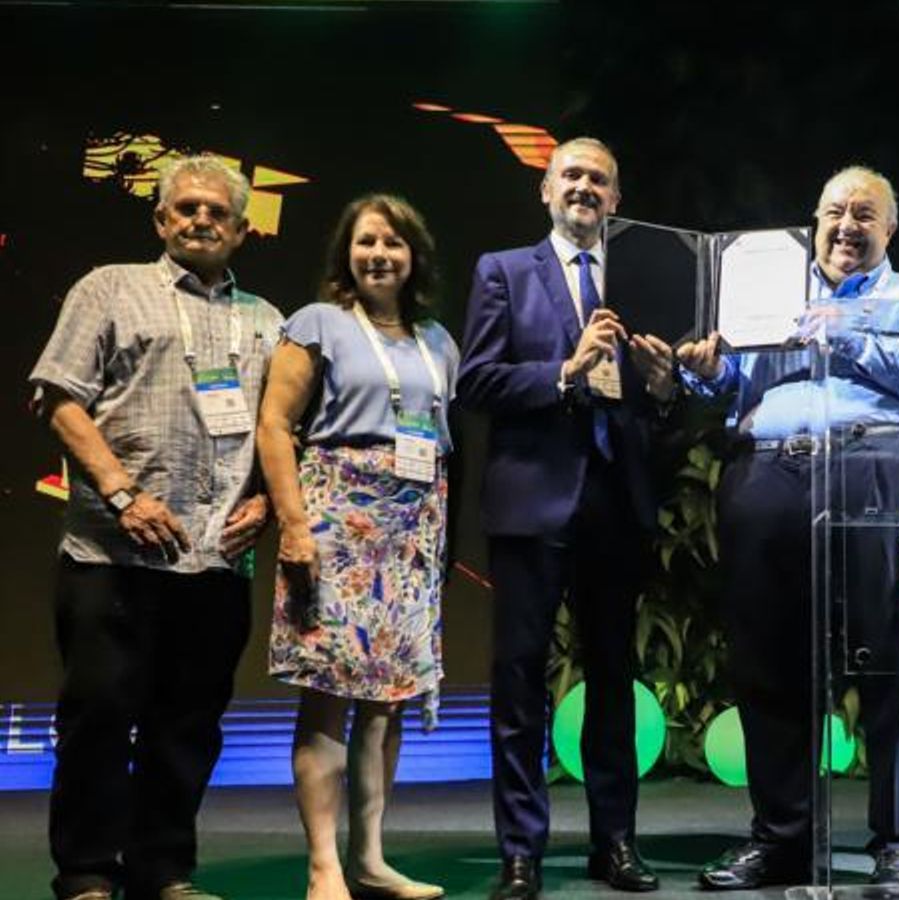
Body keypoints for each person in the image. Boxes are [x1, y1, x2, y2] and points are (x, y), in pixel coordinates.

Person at [680, 165, 899, 889]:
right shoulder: (768, 293)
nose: (847, 226)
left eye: (864, 214)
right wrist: (708, 371)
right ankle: (783, 838)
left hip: (884, 476)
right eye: (835, 212)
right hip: (771, 478)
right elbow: (738, 389)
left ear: (889, 230)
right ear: (815, 221)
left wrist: (851, 338)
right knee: (769, 665)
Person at [28, 155, 281, 900]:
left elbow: (278, 429)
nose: (201, 220)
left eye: (217, 212)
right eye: (187, 209)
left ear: (240, 230)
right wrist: (122, 493)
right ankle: (85, 873)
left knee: (189, 727)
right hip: (112, 551)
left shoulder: (268, 320)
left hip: (215, 563)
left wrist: (265, 501)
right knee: (99, 720)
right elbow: (59, 397)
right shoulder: (110, 288)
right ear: (161, 220)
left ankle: (164, 870)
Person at [457, 137, 676, 899]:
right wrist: (564, 371)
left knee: (614, 680)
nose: (585, 188)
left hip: (616, 499)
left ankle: (614, 843)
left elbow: (658, 397)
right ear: (546, 191)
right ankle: (522, 849)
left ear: (616, 201)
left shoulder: (639, 281)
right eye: (572, 176)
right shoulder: (503, 271)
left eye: (600, 181)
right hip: (533, 499)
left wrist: (662, 383)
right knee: (520, 679)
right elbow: (477, 380)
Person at [257, 195, 458, 900]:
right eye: (367, 241)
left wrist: (433, 552)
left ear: (414, 257)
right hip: (337, 524)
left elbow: (437, 448)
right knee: (328, 698)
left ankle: (370, 859)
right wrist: (293, 524)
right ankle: (323, 867)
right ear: (347, 251)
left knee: (388, 701)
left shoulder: (437, 340)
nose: (380, 254)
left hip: (410, 537)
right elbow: (276, 426)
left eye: (394, 243)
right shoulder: (317, 325)